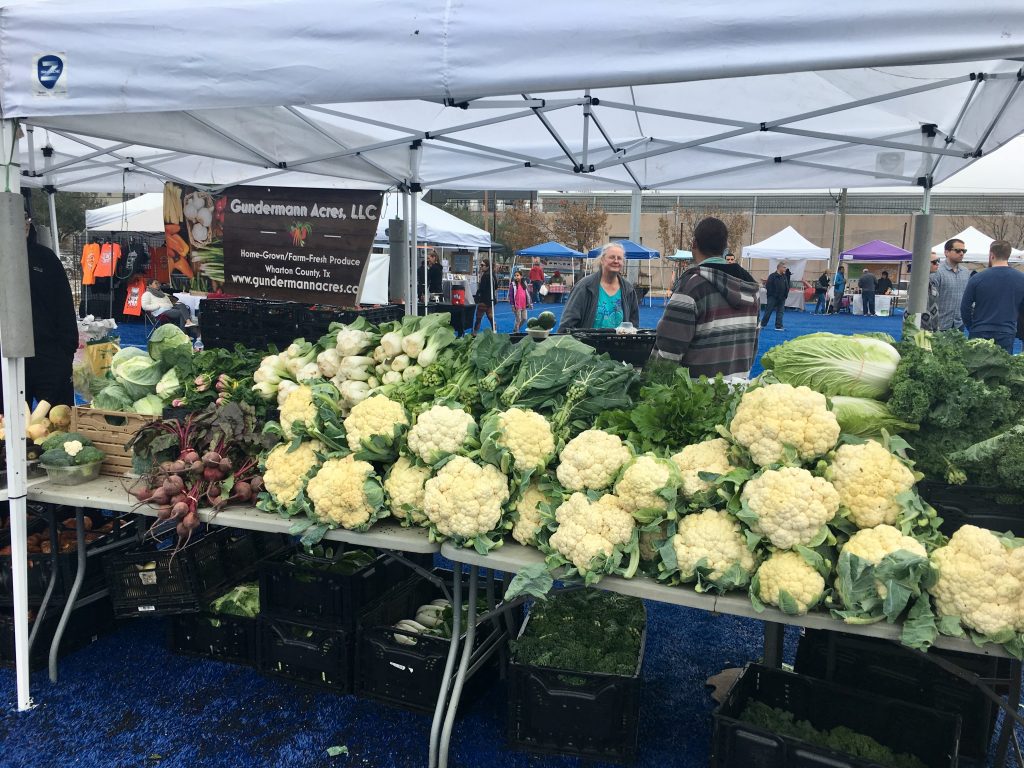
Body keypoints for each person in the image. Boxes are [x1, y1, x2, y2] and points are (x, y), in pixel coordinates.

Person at [653, 217, 760, 378]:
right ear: (725, 247)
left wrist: (650, 384)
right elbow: (753, 346)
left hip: (696, 396)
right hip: (736, 392)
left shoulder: (691, 285)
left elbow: (669, 349)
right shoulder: (751, 286)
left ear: (694, 244)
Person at [24, 214, 79, 407]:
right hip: (7, 359)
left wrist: (65, 354)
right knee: (8, 426)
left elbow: (64, 306)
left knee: (57, 425)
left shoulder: (46, 258)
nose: (23, 224)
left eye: (26, 218)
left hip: (49, 356)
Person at [960, 241, 1024, 353]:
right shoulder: (1021, 279)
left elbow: (965, 307)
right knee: (1002, 368)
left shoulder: (977, 278)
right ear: (1008, 255)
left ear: (991, 255)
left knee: (976, 368)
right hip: (1006, 331)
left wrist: (971, 327)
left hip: (979, 331)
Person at [559, 243, 640, 330]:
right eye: (612, 257)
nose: (616, 261)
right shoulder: (584, 287)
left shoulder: (628, 290)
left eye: (619, 258)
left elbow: (633, 325)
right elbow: (567, 323)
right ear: (602, 260)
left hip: (619, 343)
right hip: (587, 343)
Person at [932, 238, 971, 330]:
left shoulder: (966, 272)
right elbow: (930, 300)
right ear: (946, 252)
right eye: (958, 250)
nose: (961, 253)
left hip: (959, 324)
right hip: (939, 324)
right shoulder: (937, 272)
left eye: (964, 251)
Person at [761, 262, 789, 331]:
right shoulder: (772, 276)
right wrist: (773, 295)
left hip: (782, 298)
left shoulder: (784, 276)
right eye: (784, 267)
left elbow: (787, 286)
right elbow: (768, 287)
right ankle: (762, 325)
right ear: (779, 268)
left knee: (780, 312)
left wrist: (785, 295)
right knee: (768, 312)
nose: (785, 269)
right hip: (773, 298)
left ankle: (778, 326)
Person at [471, 259, 495, 334]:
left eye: (482, 265)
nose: (481, 267)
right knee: (490, 317)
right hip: (490, 300)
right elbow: (496, 286)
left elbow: (482, 288)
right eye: (480, 265)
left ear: (487, 266)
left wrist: (476, 298)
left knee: (478, 317)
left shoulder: (485, 276)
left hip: (484, 300)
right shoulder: (493, 274)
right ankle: (494, 331)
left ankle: (474, 333)